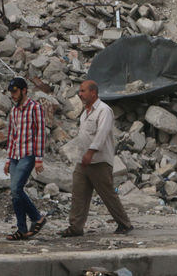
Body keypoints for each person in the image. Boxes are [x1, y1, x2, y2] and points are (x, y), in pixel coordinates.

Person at [58, 79, 133, 237]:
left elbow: (102, 134)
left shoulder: (104, 110)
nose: (80, 94)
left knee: (107, 194)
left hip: (99, 162)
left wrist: (91, 152)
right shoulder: (85, 113)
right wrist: (83, 155)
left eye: (83, 91)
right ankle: (75, 227)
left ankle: (124, 224)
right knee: (79, 194)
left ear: (93, 92)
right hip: (83, 161)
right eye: (79, 91)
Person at [4, 76, 47, 240]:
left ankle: (37, 218)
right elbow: (11, 135)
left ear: (24, 91)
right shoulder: (14, 111)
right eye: (11, 92)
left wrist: (39, 158)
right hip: (15, 155)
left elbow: (41, 133)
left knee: (16, 188)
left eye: (15, 92)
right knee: (15, 193)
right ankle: (21, 229)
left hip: (28, 154)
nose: (13, 95)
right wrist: (8, 159)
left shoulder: (35, 108)